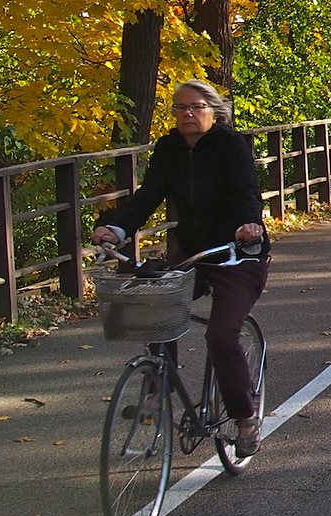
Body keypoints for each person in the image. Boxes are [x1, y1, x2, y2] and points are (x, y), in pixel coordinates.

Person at [92, 80, 271, 456]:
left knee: (221, 336)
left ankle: (245, 419)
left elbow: (246, 190)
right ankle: (157, 391)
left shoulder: (230, 146)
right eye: (180, 107)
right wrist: (118, 229)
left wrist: (248, 224)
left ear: (213, 111)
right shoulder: (169, 148)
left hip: (236, 254)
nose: (187, 113)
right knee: (156, 305)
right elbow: (148, 195)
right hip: (191, 253)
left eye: (195, 107)